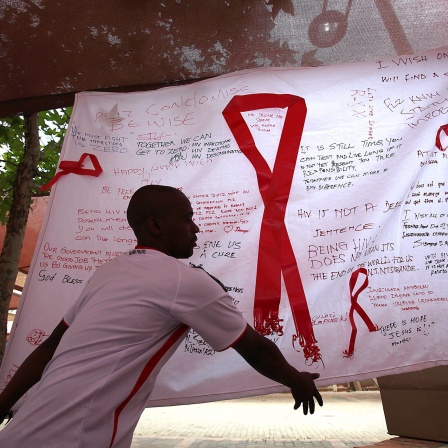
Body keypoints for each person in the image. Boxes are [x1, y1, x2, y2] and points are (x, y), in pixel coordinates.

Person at [0, 185, 323, 447]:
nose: (196, 227)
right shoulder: (185, 279)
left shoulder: (109, 272)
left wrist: (3, 404)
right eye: (187, 218)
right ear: (155, 225)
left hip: (25, 428)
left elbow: (49, 347)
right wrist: (296, 380)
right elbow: (255, 348)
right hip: (75, 435)